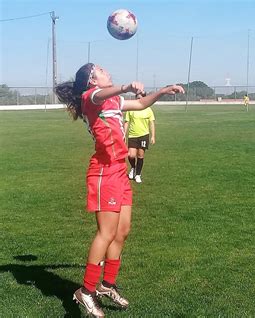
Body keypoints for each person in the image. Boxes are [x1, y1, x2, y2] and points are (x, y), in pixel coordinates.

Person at [54, 63, 184, 317]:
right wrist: (124, 86)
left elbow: (140, 104)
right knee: (106, 232)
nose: (107, 71)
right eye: (101, 70)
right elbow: (100, 94)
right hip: (103, 172)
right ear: (92, 79)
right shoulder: (90, 98)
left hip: (118, 171)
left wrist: (163, 91)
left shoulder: (113, 102)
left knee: (122, 232)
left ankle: (107, 284)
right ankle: (86, 291)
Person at [124, 92, 155, 184]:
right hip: (132, 135)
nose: (138, 100)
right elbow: (126, 122)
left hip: (144, 135)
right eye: (137, 98)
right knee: (131, 155)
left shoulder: (148, 110)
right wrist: (124, 135)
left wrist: (153, 136)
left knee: (140, 155)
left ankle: (138, 175)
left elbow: (152, 123)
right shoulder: (131, 109)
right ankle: (133, 168)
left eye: (140, 98)